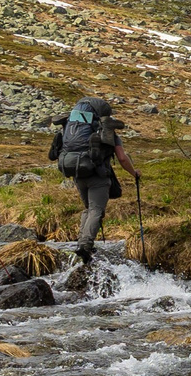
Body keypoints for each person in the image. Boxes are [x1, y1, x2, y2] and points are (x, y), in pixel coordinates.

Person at [50, 96, 139, 259]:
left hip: (78, 174)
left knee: (88, 209)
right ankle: (85, 245)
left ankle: (81, 243)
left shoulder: (70, 128)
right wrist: (135, 174)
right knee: (96, 210)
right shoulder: (106, 132)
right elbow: (122, 158)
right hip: (98, 176)